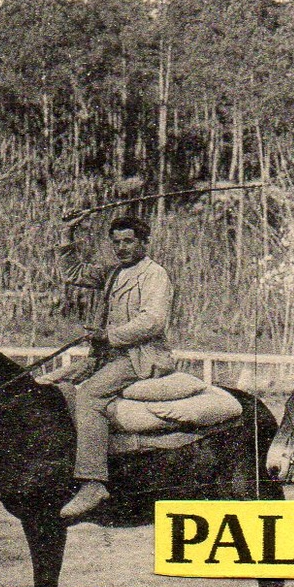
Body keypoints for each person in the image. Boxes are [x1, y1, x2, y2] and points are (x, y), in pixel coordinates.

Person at [58, 214, 176, 521]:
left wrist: (107, 335)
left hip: (142, 357)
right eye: (116, 242)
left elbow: (153, 321)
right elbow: (72, 272)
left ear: (143, 242)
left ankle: (93, 482)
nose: (121, 248)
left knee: (89, 396)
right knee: (57, 384)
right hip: (110, 356)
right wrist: (66, 235)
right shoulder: (112, 273)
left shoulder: (155, 275)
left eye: (128, 241)